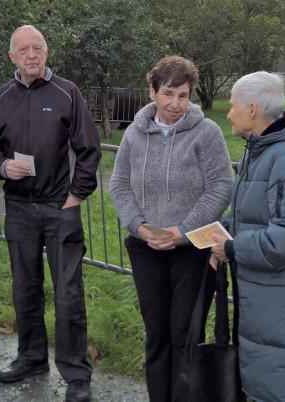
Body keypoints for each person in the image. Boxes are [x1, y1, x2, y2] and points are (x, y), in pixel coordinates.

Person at [0, 25, 100, 402]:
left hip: (59, 208)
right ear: (11, 56)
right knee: (25, 289)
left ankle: (76, 374)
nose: (32, 55)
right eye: (23, 49)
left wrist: (76, 195)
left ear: (47, 53)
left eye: (38, 48)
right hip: (19, 208)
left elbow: (90, 148)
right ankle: (31, 357)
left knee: (68, 294)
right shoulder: (2, 97)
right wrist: (0, 166)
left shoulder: (67, 93)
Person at [108, 56, 233, 402]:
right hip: (146, 248)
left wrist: (183, 231)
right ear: (152, 91)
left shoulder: (206, 133)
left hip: (192, 251)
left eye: (183, 95)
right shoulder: (134, 134)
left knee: (185, 334)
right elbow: (119, 184)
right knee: (157, 333)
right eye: (168, 93)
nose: (175, 104)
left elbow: (220, 186)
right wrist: (141, 226)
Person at [209, 71, 285, 402]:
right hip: (264, 297)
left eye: (232, 106)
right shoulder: (261, 149)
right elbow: (257, 215)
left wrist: (231, 248)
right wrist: (224, 230)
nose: (227, 113)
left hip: (282, 301)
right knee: (260, 383)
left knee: (277, 387)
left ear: (252, 109)